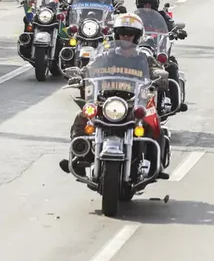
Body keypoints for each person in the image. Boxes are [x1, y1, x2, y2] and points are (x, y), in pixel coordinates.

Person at [59, 14, 170, 178]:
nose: (126, 37)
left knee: (152, 122)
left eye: (130, 34)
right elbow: (89, 68)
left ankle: (156, 165)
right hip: (106, 100)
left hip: (133, 102)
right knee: (82, 117)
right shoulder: (106, 56)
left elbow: (156, 70)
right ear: (117, 35)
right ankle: (79, 156)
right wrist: (80, 75)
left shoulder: (144, 58)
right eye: (123, 34)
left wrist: (160, 76)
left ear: (137, 36)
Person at [135, 0, 188, 112]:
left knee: (172, 67)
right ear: (138, 3)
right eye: (144, 3)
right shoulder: (134, 17)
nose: (147, 6)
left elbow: (171, 24)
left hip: (157, 51)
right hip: (137, 52)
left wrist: (177, 31)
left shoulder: (162, 16)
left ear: (156, 3)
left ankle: (176, 102)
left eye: (151, 3)